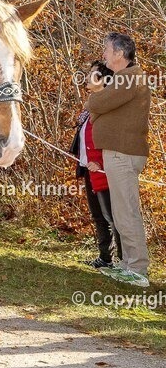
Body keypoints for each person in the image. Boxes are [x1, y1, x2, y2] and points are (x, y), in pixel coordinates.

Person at [87, 32, 151, 287]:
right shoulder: (126, 77)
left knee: (127, 213)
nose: (104, 54)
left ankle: (137, 269)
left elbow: (98, 102)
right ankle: (127, 265)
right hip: (118, 153)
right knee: (122, 212)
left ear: (119, 54)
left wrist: (95, 93)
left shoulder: (128, 78)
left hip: (122, 154)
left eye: (106, 50)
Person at [72, 61, 121, 269]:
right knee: (99, 216)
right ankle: (105, 258)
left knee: (115, 218)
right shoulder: (91, 106)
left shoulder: (109, 108)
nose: (87, 77)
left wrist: (98, 162)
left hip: (104, 171)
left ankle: (124, 261)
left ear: (103, 81)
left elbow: (114, 139)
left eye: (92, 74)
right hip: (89, 171)